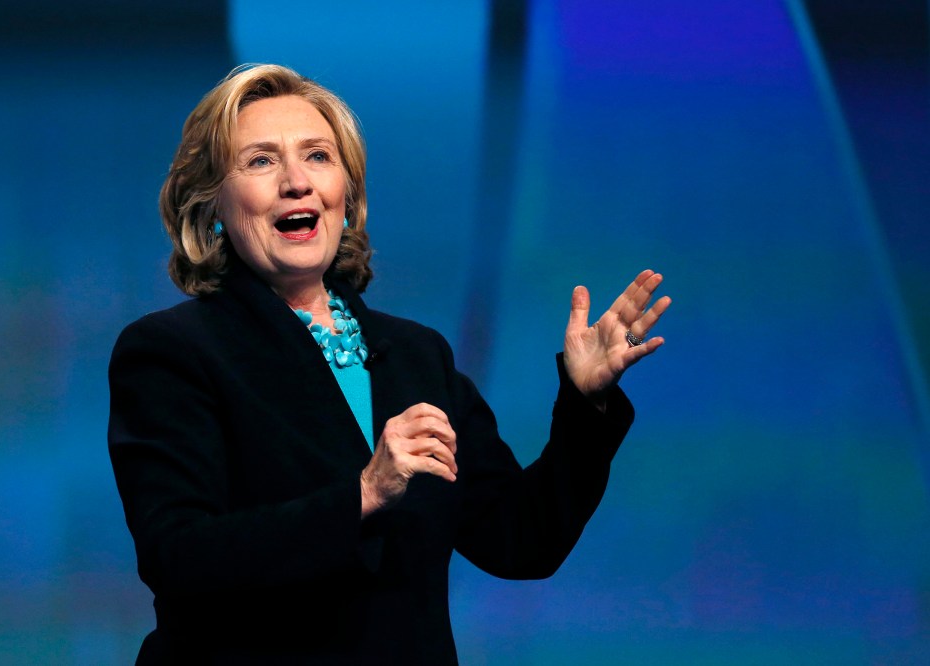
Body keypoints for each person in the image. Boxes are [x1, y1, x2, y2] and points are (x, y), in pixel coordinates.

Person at [108, 63, 670, 665]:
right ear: (213, 205)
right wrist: (364, 494)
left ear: (346, 197)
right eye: (261, 161)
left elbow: (522, 541)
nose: (297, 182)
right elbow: (180, 557)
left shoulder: (418, 356)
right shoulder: (172, 352)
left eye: (318, 156)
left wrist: (584, 403)